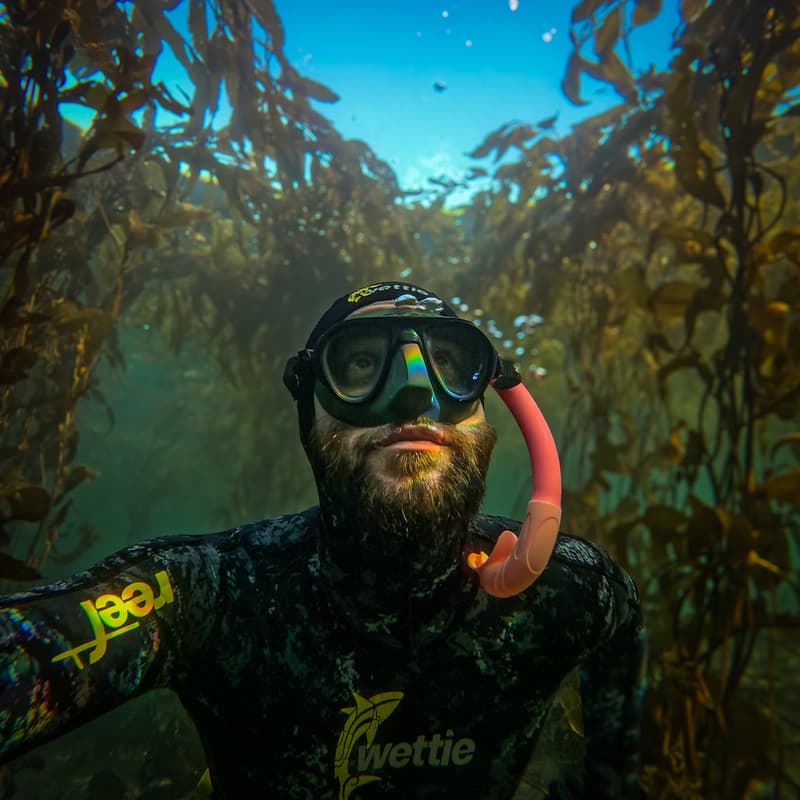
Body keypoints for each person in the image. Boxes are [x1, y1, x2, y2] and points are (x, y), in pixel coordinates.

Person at [0, 281, 644, 799]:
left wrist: (611, 780)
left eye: (450, 362)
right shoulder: (213, 591)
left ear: (494, 405)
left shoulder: (572, 587)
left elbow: (622, 627)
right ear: (308, 407)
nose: (414, 389)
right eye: (362, 362)